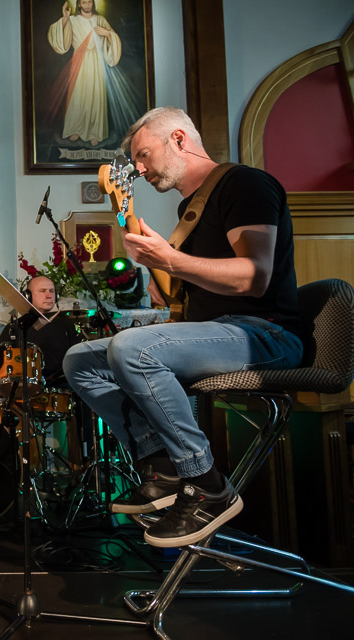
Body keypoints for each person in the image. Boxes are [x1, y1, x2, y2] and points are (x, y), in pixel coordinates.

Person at [62, 107, 303, 548]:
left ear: (178, 139)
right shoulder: (189, 208)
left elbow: (254, 276)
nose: (139, 168)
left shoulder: (245, 183)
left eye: (143, 154)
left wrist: (171, 260)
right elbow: (182, 286)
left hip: (265, 334)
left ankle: (206, 484)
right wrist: (160, 265)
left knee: (132, 349)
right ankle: (163, 468)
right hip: (217, 332)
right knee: (80, 361)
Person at [47, 0, 122, 146]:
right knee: (78, 95)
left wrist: (107, 34)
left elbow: (113, 36)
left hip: (96, 60)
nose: (87, 5)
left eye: (89, 2)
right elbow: (62, 42)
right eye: (84, 2)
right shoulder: (73, 20)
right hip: (79, 60)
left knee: (96, 95)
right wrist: (65, 18)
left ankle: (95, 132)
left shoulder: (100, 20)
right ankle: (75, 129)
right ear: (79, 4)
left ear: (93, 3)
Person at [0, 275, 80, 384]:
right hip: (25, 387)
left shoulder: (66, 323)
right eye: (42, 291)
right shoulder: (16, 326)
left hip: (62, 387)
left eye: (52, 291)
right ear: (28, 296)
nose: (49, 295)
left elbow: (79, 359)